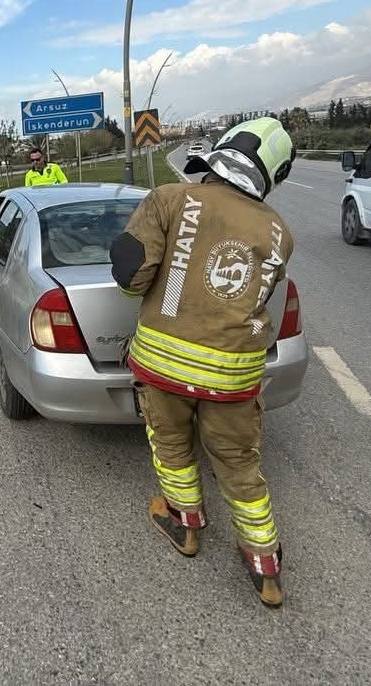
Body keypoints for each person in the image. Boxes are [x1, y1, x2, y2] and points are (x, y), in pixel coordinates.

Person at [110, 118, 297, 607]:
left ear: (220, 153)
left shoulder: (170, 199)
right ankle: (265, 565)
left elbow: (132, 278)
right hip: (233, 375)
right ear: (273, 174)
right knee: (239, 463)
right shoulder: (279, 231)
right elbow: (254, 298)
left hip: (164, 365)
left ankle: (185, 525)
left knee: (171, 444)